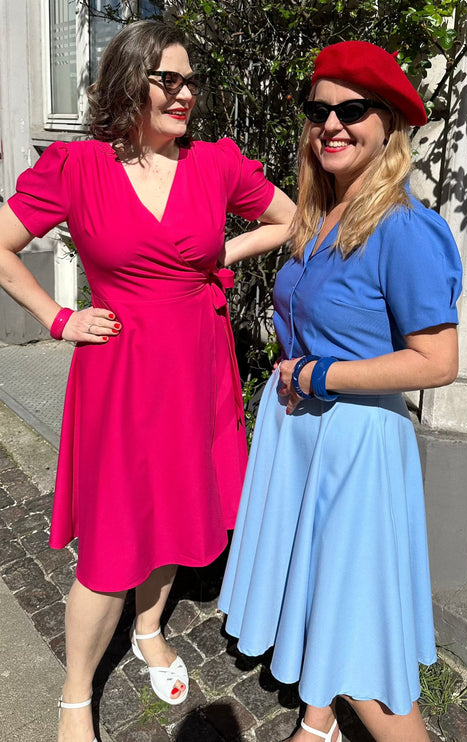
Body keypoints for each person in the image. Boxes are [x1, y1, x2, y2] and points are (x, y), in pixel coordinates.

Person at [0, 20, 295, 742]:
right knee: (111, 539)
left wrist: (222, 253)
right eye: (170, 79)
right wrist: (59, 318)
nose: (186, 93)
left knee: (172, 508)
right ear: (132, 80)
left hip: (195, 366)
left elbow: (287, 219)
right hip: (120, 373)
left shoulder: (215, 164)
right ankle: (76, 695)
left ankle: (149, 628)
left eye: (192, 81)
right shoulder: (77, 167)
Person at [218, 40, 462, 742]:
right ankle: (318, 721)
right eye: (318, 109)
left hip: (354, 448)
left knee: (360, 638)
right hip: (305, 436)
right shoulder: (321, 217)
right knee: (321, 594)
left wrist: (316, 374)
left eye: (353, 110)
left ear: (389, 127)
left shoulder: (405, 230)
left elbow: (437, 361)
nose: (331, 123)